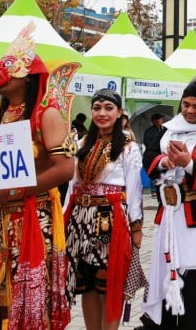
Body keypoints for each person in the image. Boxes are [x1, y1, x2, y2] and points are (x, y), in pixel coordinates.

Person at [0, 24, 75, 329]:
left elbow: (65, 169)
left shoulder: (46, 114)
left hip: (30, 221)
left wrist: (9, 194)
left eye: (5, 70)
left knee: (23, 297)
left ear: (25, 76)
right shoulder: (0, 112)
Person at [139, 81, 196, 329]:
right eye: (186, 104)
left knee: (192, 271)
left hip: (195, 214)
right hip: (168, 213)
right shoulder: (167, 128)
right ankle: (163, 323)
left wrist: (188, 163)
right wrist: (165, 162)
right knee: (165, 266)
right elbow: (149, 157)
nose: (190, 111)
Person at [64, 89, 145, 329]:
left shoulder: (128, 148)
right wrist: (63, 217)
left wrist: (136, 227)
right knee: (86, 281)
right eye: (97, 108)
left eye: (108, 108)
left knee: (108, 282)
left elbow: (134, 189)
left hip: (108, 218)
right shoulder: (81, 144)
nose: (102, 113)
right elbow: (71, 186)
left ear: (119, 113)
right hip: (79, 219)